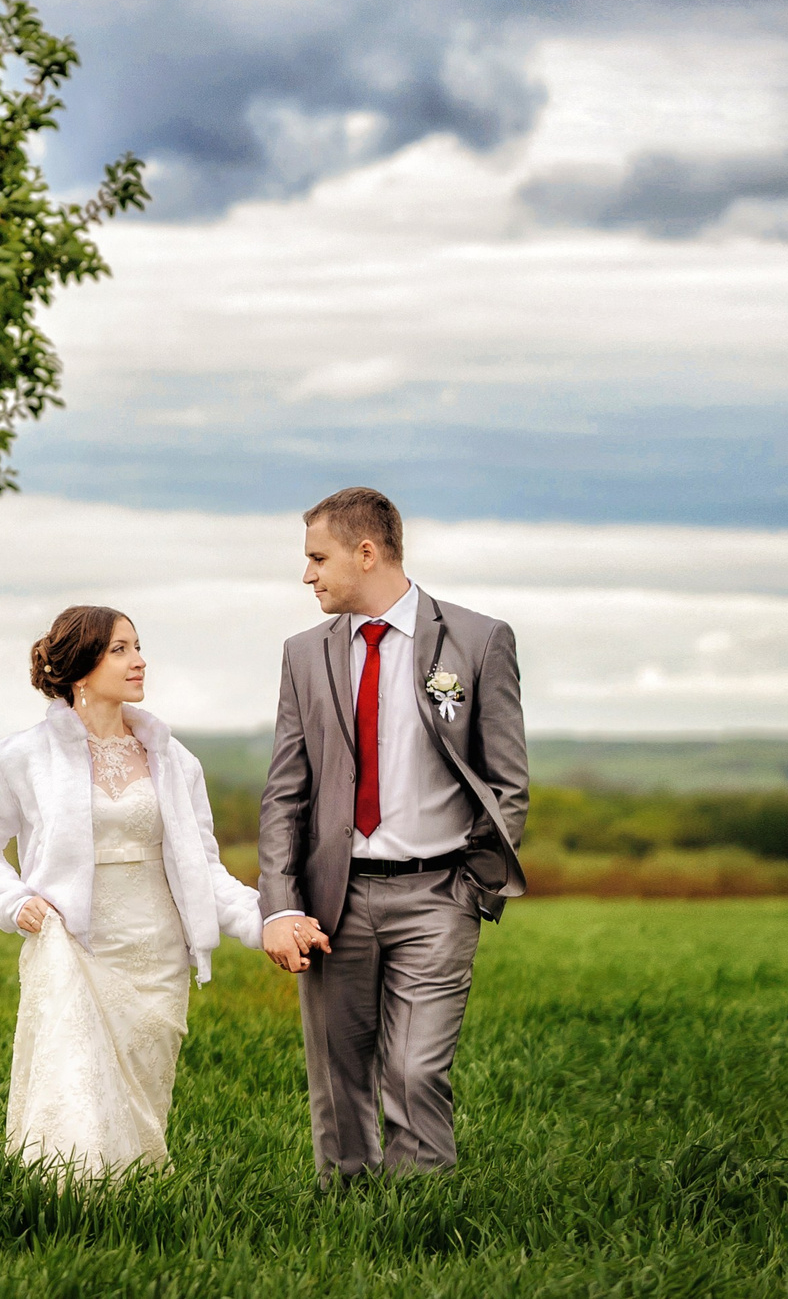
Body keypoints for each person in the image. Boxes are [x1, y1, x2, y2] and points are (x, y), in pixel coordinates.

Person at [257, 487, 529, 1183]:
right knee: (338, 1079)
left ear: (367, 552)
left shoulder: (477, 640)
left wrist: (474, 885)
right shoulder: (303, 653)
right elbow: (287, 791)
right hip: (331, 901)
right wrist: (282, 906)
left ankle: (423, 1225)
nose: (308, 574)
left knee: (414, 1070)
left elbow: (507, 782)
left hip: (439, 893)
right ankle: (347, 1220)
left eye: (318, 557)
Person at [0, 606, 269, 1176]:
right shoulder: (19, 758)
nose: (139, 661)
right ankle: (68, 1205)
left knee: (141, 1104)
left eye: (139, 647)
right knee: (75, 1088)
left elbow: (204, 869)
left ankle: (135, 1205)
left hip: (157, 955)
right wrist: (16, 902)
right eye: (120, 649)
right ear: (79, 668)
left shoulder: (175, 760)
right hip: (72, 945)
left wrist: (262, 921)